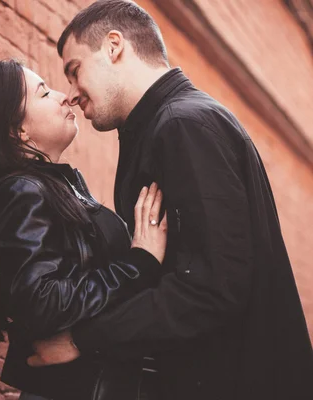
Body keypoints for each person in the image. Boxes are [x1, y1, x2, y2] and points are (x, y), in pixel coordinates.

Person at [27, 1, 313, 400]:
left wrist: (83, 338)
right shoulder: (165, 126)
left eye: (75, 71)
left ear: (114, 46)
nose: (72, 95)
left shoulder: (183, 125)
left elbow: (213, 287)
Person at [0, 59, 168, 399]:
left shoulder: (57, 189)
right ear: (17, 130)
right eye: (44, 92)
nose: (65, 97)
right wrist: (138, 264)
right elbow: (41, 301)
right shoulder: (20, 192)